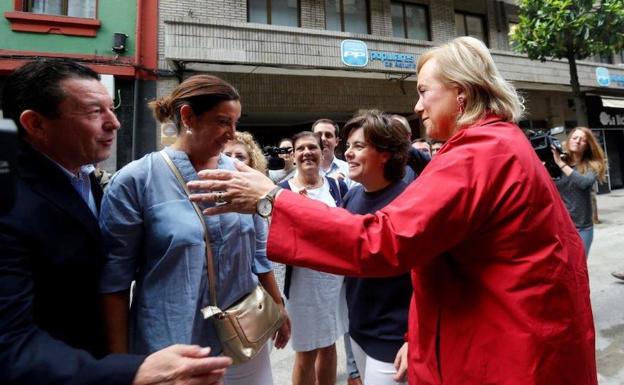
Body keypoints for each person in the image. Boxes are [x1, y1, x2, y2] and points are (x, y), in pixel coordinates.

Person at [186, 36, 597, 385]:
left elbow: (381, 241)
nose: (417, 108)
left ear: (462, 92)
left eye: (423, 91)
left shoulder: (479, 153)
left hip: (508, 353)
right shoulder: (498, 144)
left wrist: (272, 199)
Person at [0, 59, 231, 385]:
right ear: (36, 124)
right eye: (95, 112)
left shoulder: (81, 173)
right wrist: (130, 370)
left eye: (112, 109)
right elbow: (10, 343)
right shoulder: (10, 203)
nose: (115, 123)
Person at [98, 74, 286, 385]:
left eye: (236, 122)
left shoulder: (241, 174)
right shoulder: (137, 180)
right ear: (188, 116)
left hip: (244, 334)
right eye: (223, 121)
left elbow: (259, 253)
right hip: (173, 340)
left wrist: (277, 307)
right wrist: (123, 368)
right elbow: (115, 283)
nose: (232, 133)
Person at [341, 110, 411, 385]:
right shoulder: (352, 195)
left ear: (385, 153)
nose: (348, 153)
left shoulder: (409, 200)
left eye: (358, 146)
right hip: (359, 327)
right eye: (348, 146)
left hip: (394, 335)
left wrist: (413, 337)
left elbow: (430, 278)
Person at [277, 131, 348, 385]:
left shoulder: (338, 186)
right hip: (300, 286)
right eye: (301, 148)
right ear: (293, 155)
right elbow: (275, 243)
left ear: (322, 152)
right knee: (306, 352)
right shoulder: (283, 191)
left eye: (313, 148)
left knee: (329, 345)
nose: (307, 152)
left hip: (333, 285)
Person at [551, 127, 606, 256]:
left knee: (579, 268)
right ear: (569, 140)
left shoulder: (592, 164)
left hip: (582, 228)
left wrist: (560, 163)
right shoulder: (558, 161)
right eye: (575, 138)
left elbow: (584, 183)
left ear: (588, 145)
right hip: (561, 227)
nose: (577, 141)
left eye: (583, 140)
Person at [312, 118, 355, 188]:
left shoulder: (349, 169)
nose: (323, 138)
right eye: (319, 135)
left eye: (328, 135)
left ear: (336, 142)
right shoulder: (302, 172)